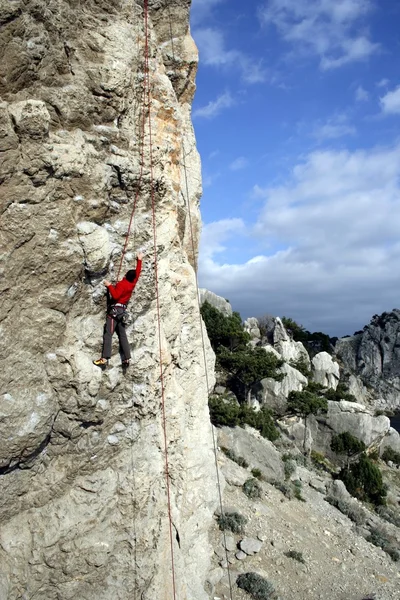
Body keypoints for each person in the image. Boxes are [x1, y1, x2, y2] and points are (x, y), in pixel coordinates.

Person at [93, 251, 144, 368]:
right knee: (122, 335)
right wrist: (139, 260)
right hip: (122, 312)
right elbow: (137, 273)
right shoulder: (132, 283)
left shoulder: (123, 284)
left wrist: (109, 285)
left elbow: (115, 296)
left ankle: (104, 358)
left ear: (126, 276)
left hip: (114, 312)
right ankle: (126, 359)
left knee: (108, 333)